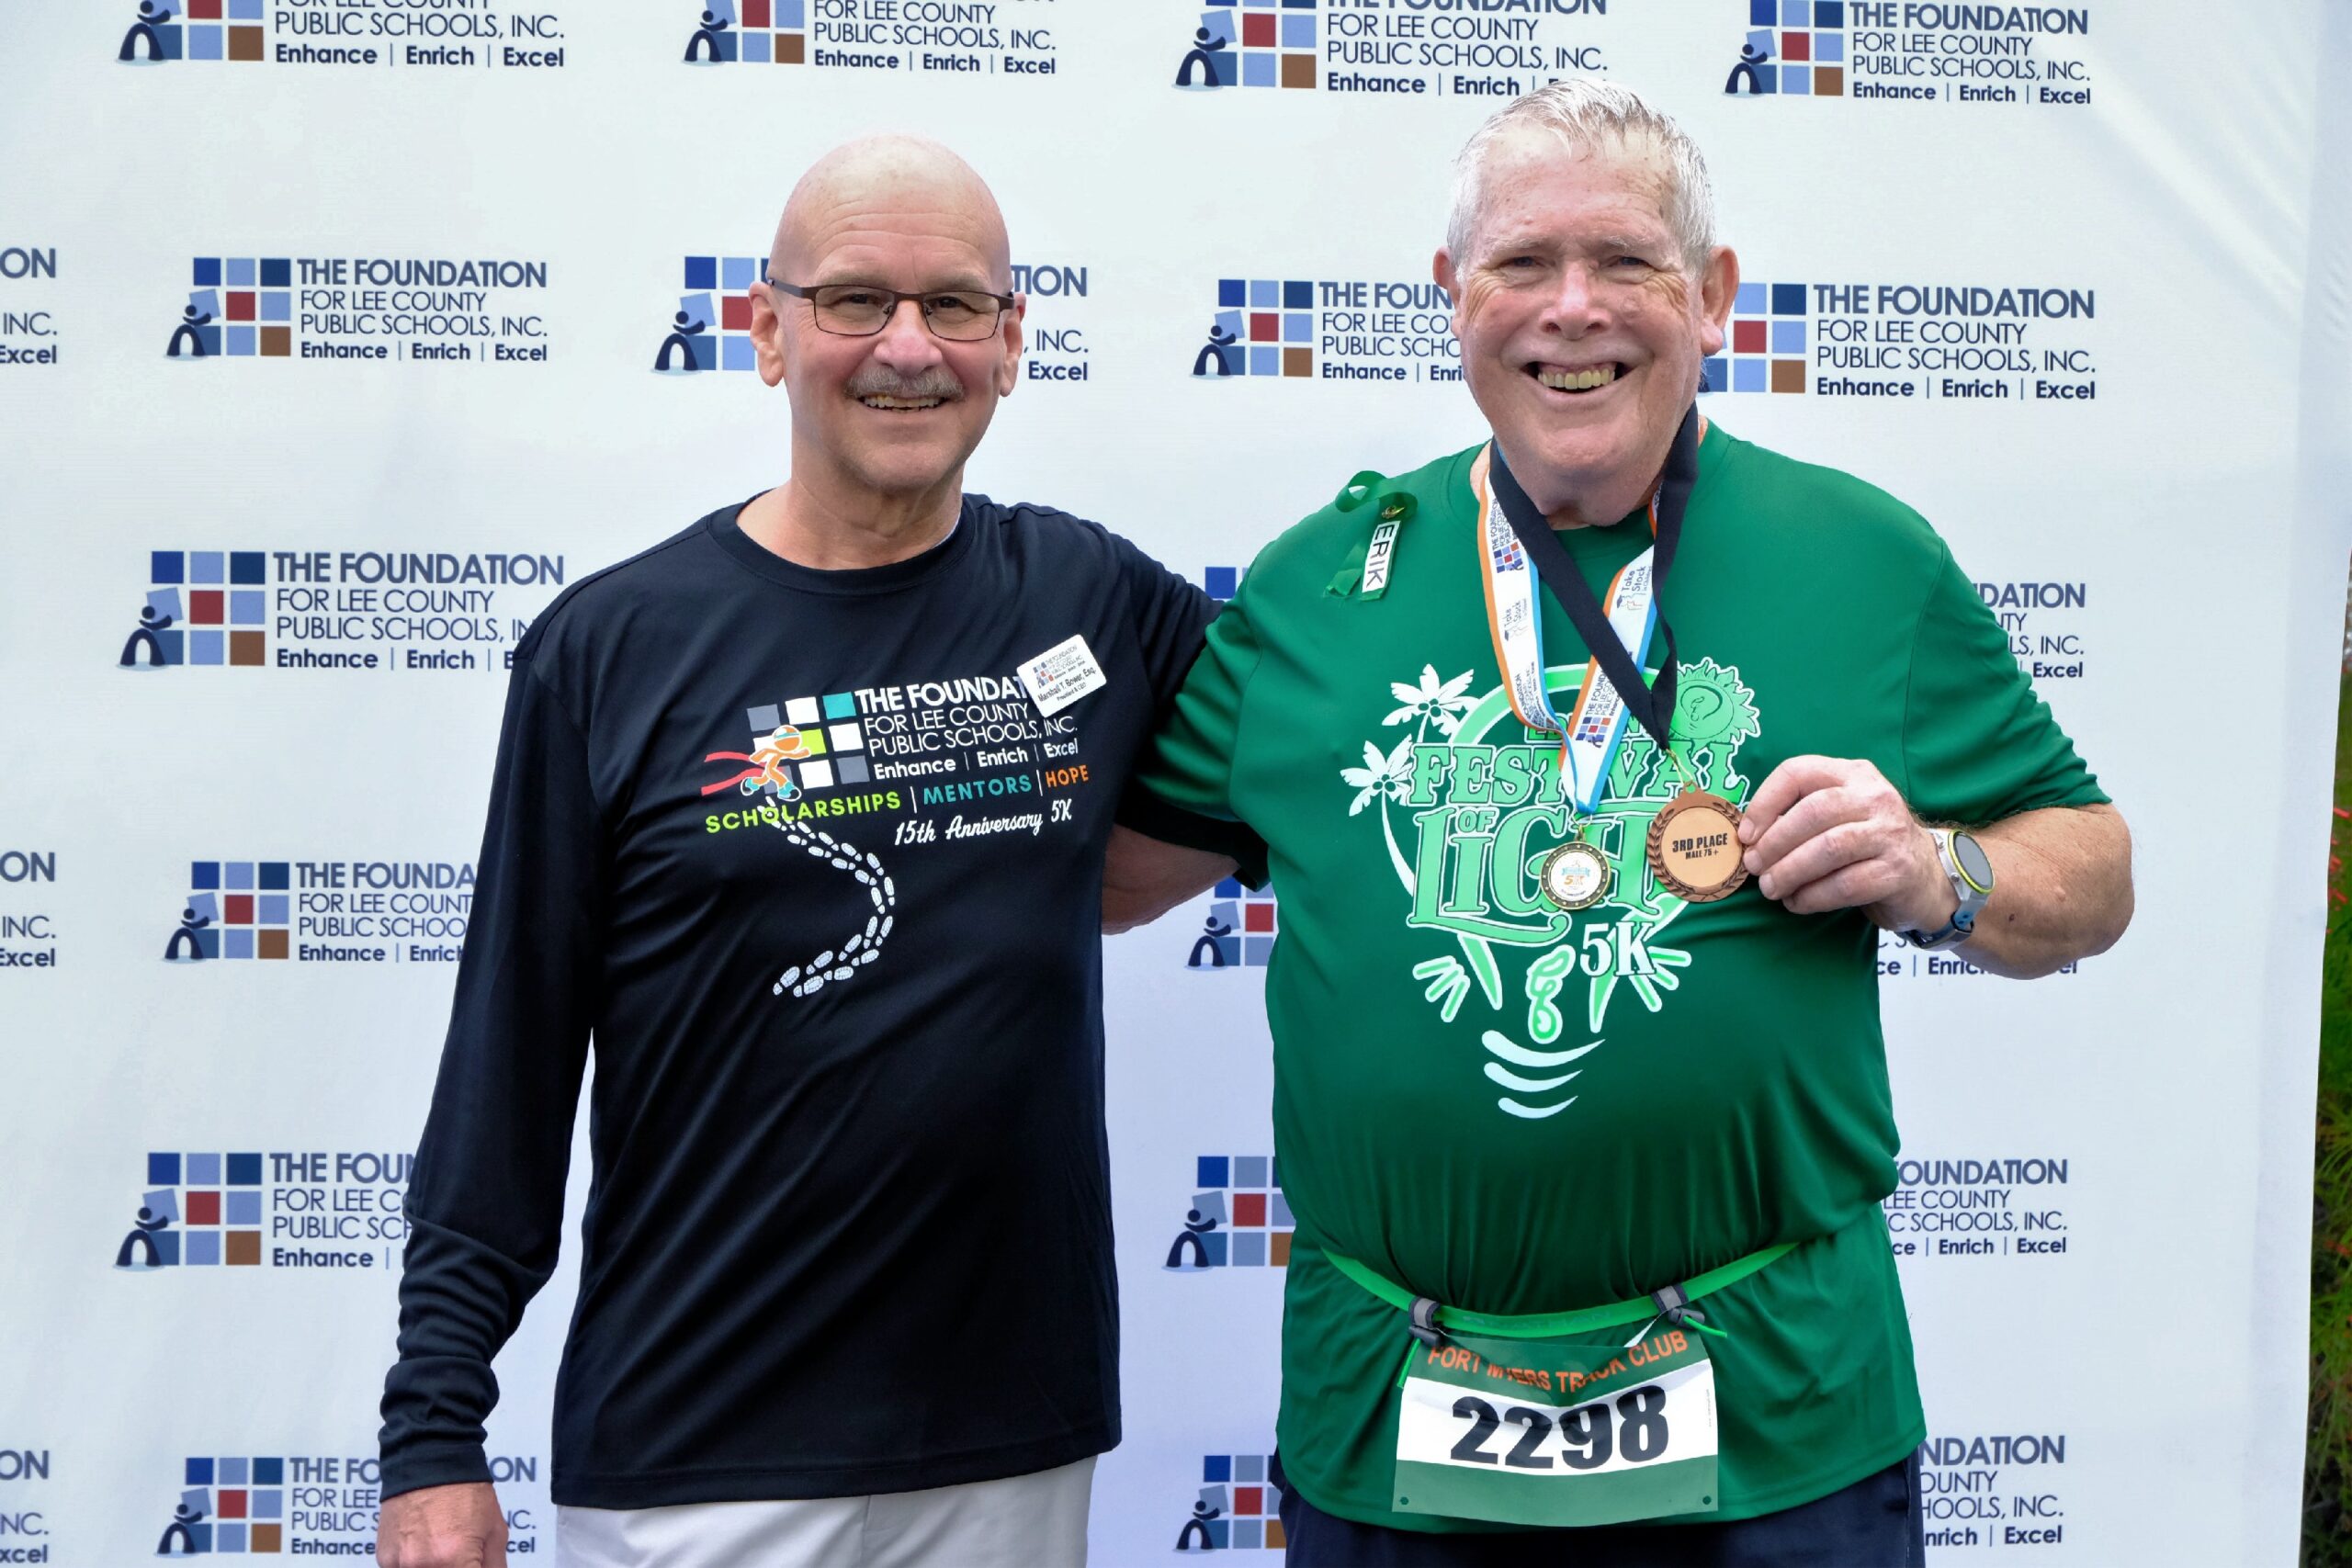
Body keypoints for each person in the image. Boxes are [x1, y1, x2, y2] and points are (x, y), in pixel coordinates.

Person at [1136, 80, 2132, 1565]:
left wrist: (1940, 869)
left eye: (1626, 262)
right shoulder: (1316, 584)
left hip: (1777, 1419)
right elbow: (1109, 876)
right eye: (1523, 264)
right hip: (1392, 1412)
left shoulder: (1863, 557)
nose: (1573, 309)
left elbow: (2092, 871)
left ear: (1713, 295)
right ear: (1452, 294)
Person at [376, 135, 1238, 1568]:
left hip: (1010, 1453)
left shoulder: (1091, 596)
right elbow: (505, 1066)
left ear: (1011, 341)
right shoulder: (610, 649)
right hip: (697, 1457)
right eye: (853, 300)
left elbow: (1323, 739)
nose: (908, 347)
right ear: (768, 331)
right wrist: (431, 1433)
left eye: (953, 304)